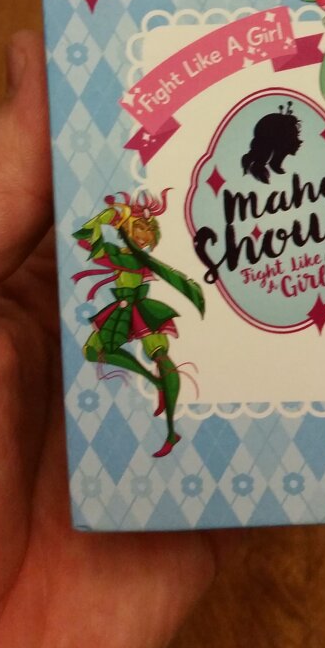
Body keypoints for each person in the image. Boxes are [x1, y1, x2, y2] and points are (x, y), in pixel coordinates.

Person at [0, 32, 216, 648]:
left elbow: (165, 271)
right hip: (109, 321)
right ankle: (158, 402)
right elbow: (92, 235)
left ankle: (168, 415)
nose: (141, 229)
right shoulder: (113, 239)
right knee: (111, 354)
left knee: (154, 359)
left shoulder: (143, 253)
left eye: (144, 226)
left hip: (139, 313)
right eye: (137, 224)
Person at [73, 188, 205, 458]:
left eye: (148, 230)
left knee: (161, 357)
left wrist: (111, 220)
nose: (143, 235)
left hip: (140, 310)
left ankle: (171, 430)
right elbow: (87, 238)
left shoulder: (132, 257)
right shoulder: (121, 253)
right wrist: (110, 216)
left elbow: (96, 246)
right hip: (122, 309)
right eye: (139, 227)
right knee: (92, 350)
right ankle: (154, 381)